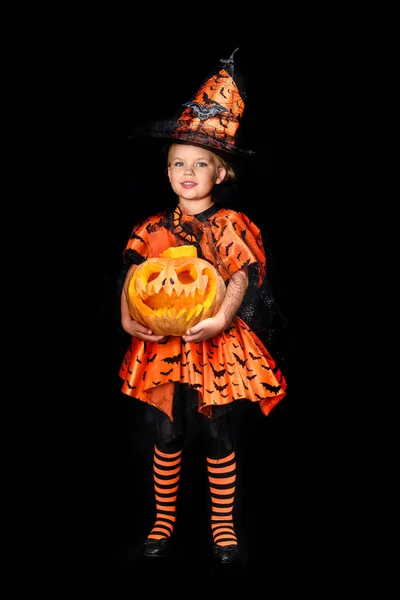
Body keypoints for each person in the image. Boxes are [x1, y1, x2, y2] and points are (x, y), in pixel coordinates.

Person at [118, 48, 288, 564]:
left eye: (199, 165)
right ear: (167, 172)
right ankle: (163, 521)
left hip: (216, 344)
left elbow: (239, 276)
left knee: (218, 430)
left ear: (221, 174)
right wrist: (128, 316)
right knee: (165, 430)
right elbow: (133, 277)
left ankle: (223, 527)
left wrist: (221, 316)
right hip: (161, 347)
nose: (186, 172)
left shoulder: (232, 224)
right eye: (177, 164)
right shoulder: (151, 227)